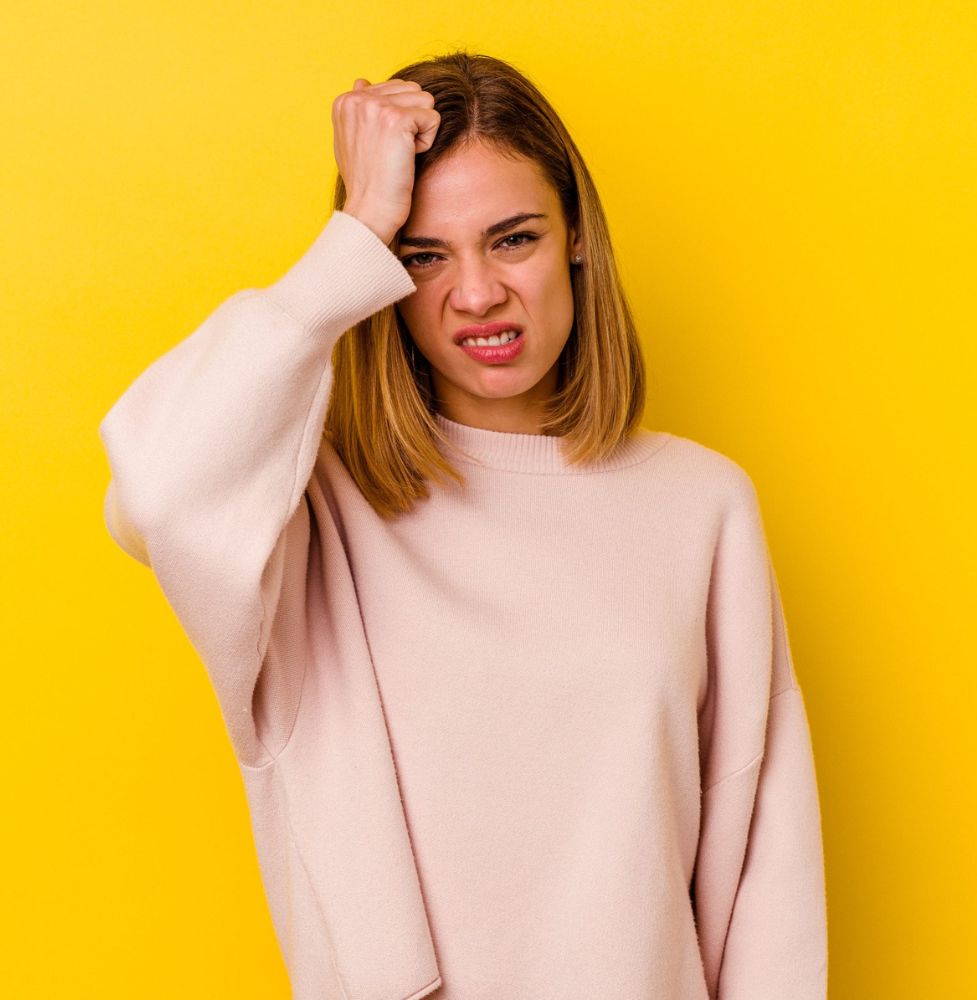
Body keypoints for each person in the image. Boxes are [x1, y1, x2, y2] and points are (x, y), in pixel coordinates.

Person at [98, 49, 827, 1000]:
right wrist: (354, 231)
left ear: (576, 237)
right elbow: (156, 491)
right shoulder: (308, 514)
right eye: (423, 257)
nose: (475, 294)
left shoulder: (701, 505)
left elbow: (764, 882)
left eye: (512, 238)